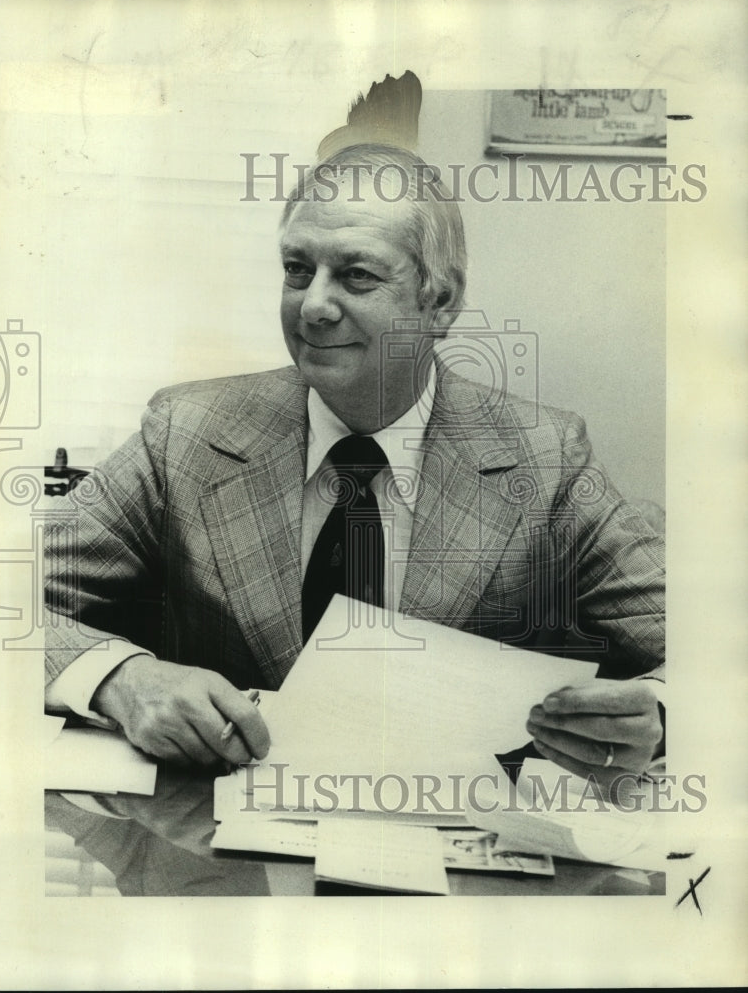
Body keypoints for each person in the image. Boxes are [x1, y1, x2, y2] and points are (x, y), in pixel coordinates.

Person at [45, 144, 664, 795]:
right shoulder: (186, 433)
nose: (312, 305)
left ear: (439, 303)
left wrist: (656, 715)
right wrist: (120, 681)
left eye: (356, 275)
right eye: (296, 269)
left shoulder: (544, 458)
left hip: (451, 864)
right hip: (214, 860)